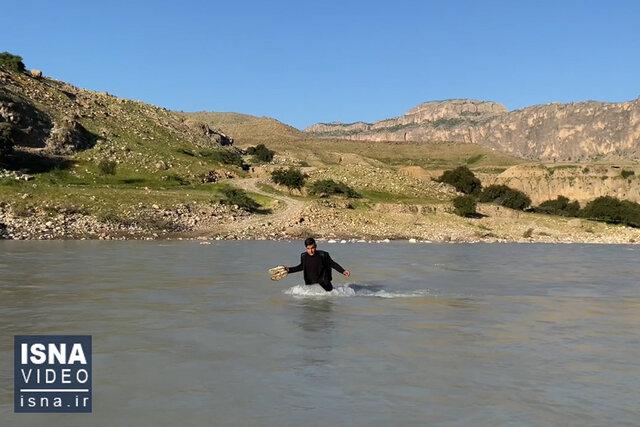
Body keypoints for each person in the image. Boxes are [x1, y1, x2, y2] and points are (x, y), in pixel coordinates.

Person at [285, 237, 350, 292]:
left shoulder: (323, 255)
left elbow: (332, 264)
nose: (311, 251)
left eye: (312, 248)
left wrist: (343, 271)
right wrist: (289, 270)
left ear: (316, 246)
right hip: (311, 284)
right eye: (308, 248)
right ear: (306, 248)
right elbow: (301, 267)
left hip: (324, 284)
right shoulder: (304, 256)